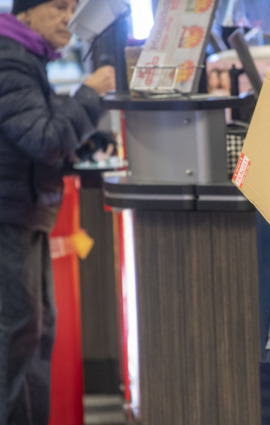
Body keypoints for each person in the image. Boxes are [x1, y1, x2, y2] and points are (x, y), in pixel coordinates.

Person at [0, 0, 115, 424]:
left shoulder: (24, 56)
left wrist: (83, 144)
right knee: (17, 336)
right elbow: (43, 138)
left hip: (22, 214)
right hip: (9, 217)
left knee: (33, 333)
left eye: (73, 7)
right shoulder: (9, 59)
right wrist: (90, 95)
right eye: (60, 7)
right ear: (27, 12)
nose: (69, 17)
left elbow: (31, 140)